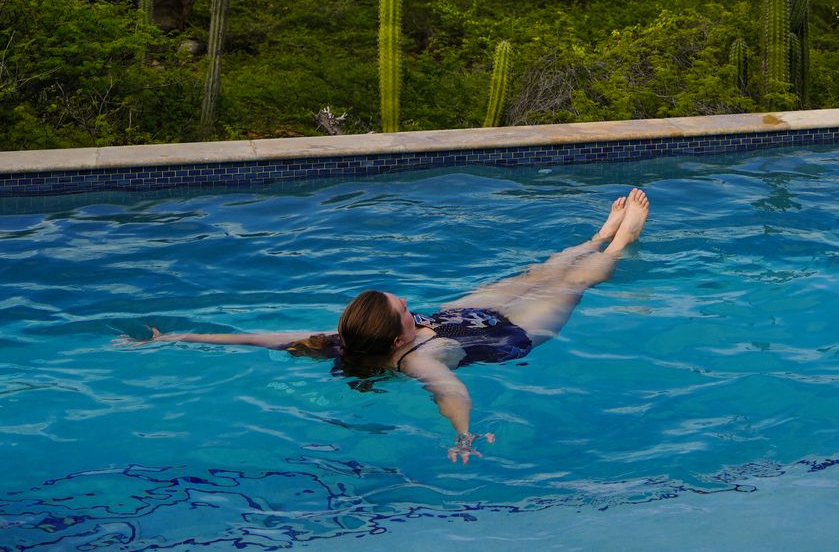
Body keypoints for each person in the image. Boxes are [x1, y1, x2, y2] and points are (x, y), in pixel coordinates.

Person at [139, 187, 649, 461]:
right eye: (402, 306)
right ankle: (620, 244)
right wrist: (465, 435)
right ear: (400, 334)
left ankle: (594, 235)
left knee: (534, 273)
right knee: (570, 287)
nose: (406, 299)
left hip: (453, 319)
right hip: (504, 339)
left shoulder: (346, 339)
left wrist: (181, 336)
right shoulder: (418, 358)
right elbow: (449, 390)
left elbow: (260, 339)